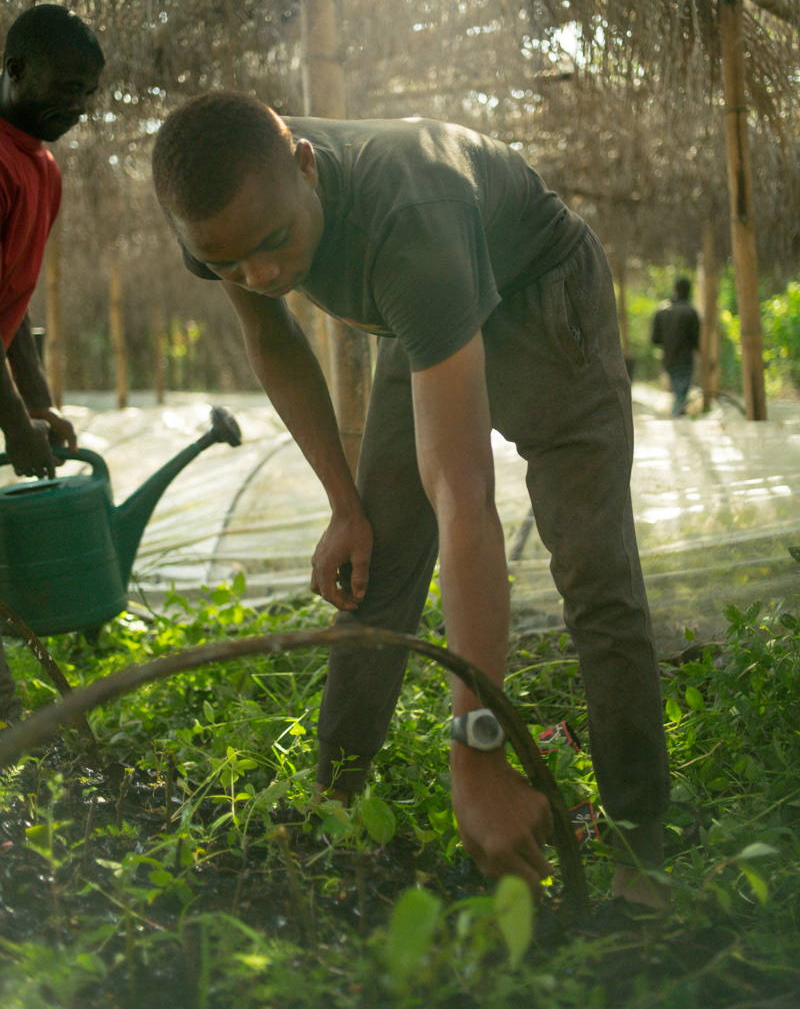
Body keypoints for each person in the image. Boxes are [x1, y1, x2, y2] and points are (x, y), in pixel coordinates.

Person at [152, 93, 670, 909]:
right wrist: (342, 502)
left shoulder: (409, 219)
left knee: (594, 571)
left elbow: (464, 494)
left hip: (541, 295)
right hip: (419, 325)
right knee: (379, 564)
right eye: (228, 264)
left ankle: (646, 848)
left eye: (275, 244)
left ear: (307, 169)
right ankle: (335, 813)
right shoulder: (229, 213)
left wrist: (478, 749)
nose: (262, 274)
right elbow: (271, 335)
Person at [0, 3, 105, 719]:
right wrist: (13, 424)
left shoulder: (43, 168)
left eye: (86, 95)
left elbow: (13, 298)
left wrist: (35, 402)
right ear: (14, 69)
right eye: (64, 88)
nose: (76, 107)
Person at [651, 277, 700, 417]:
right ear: (689, 291)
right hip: (685, 359)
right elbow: (696, 340)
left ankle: (678, 415)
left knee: (679, 392)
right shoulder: (690, 312)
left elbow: (655, 339)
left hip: (668, 359)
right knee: (681, 393)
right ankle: (677, 416)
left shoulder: (662, 311)